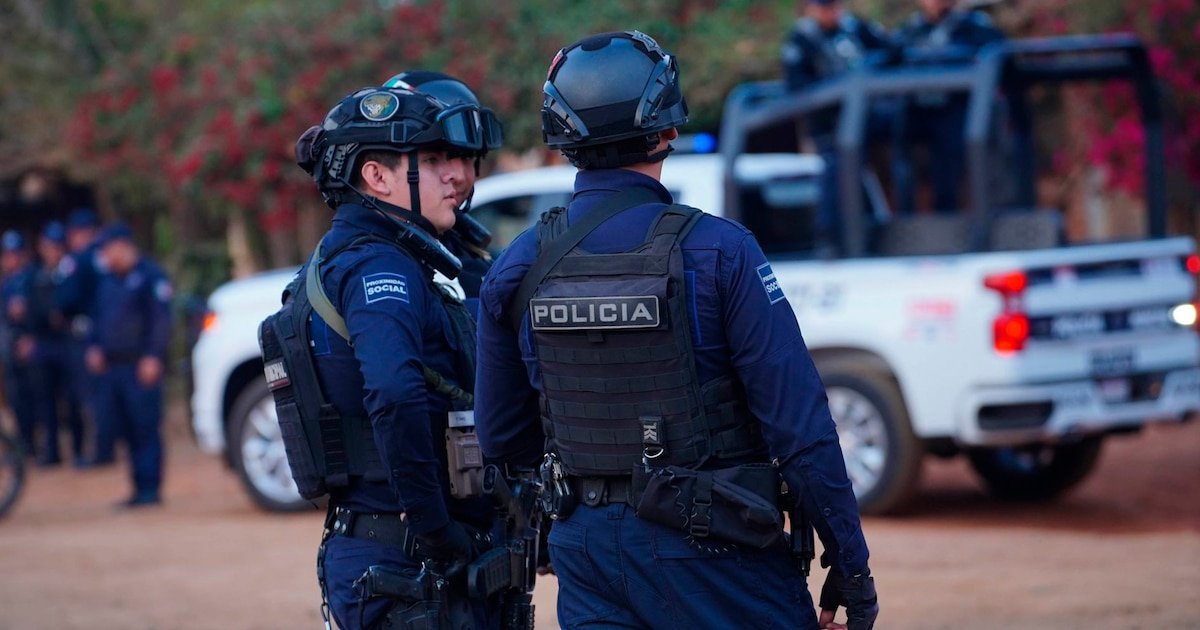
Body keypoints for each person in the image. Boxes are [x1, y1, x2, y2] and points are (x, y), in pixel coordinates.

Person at [475, 31, 878, 630]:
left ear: (560, 139)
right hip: (718, 545)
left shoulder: (516, 266)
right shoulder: (722, 251)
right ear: (668, 129)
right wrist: (849, 563)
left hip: (588, 553)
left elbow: (502, 439)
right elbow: (801, 429)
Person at [290, 86, 497, 629]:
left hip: (388, 554)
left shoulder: (369, 257)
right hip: (405, 564)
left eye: (458, 159)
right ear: (377, 178)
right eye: (433, 160)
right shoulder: (379, 267)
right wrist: (434, 526)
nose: (457, 174)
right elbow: (394, 390)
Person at [382, 70, 505, 317]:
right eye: (433, 158)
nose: (459, 175)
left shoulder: (466, 252)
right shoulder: (373, 270)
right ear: (380, 172)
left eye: (468, 157)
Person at [781, 0, 894, 249]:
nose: (830, 12)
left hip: (866, 119)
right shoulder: (802, 38)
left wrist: (870, 69)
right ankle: (831, 236)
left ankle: (881, 224)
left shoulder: (854, 28)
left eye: (833, 5)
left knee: (898, 140)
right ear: (811, 8)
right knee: (835, 170)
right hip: (828, 125)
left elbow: (892, 51)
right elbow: (797, 86)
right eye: (823, 7)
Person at [87, 223, 173, 506]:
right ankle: (137, 486)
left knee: (145, 426)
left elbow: (161, 321)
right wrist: (96, 347)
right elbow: (98, 320)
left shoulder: (151, 276)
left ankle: (151, 487)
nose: (105, 257)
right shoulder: (107, 281)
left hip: (141, 366)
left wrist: (153, 356)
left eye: (108, 250)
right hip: (114, 369)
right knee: (125, 429)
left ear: (122, 246)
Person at [893, 0, 1006, 213]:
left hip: (957, 111)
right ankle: (905, 216)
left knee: (950, 166)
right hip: (918, 111)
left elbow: (998, 56)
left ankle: (953, 215)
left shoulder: (974, 25)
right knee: (902, 155)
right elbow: (889, 60)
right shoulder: (911, 30)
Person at [26, 222, 86, 467]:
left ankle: (79, 449)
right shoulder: (37, 275)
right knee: (45, 401)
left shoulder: (70, 271)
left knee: (72, 400)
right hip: (44, 344)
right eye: (47, 246)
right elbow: (33, 310)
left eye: (55, 246)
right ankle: (51, 451)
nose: (51, 250)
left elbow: (72, 303)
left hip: (67, 343)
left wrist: (58, 313)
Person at [59, 208, 106, 466]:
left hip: (87, 333)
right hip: (92, 332)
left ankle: (99, 451)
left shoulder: (82, 259)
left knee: (91, 398)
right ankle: (100, 448)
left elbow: (68, 299)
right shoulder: (97, 258)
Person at [1, 230, 38, 458]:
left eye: (15, 253)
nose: (10, 258)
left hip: (30, 347)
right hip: (9, 349)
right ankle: (22, 445)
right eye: (7, 254)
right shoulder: (6, 283)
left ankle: (34, 446)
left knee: (34, 399)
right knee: (16, 401)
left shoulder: (32, 278)